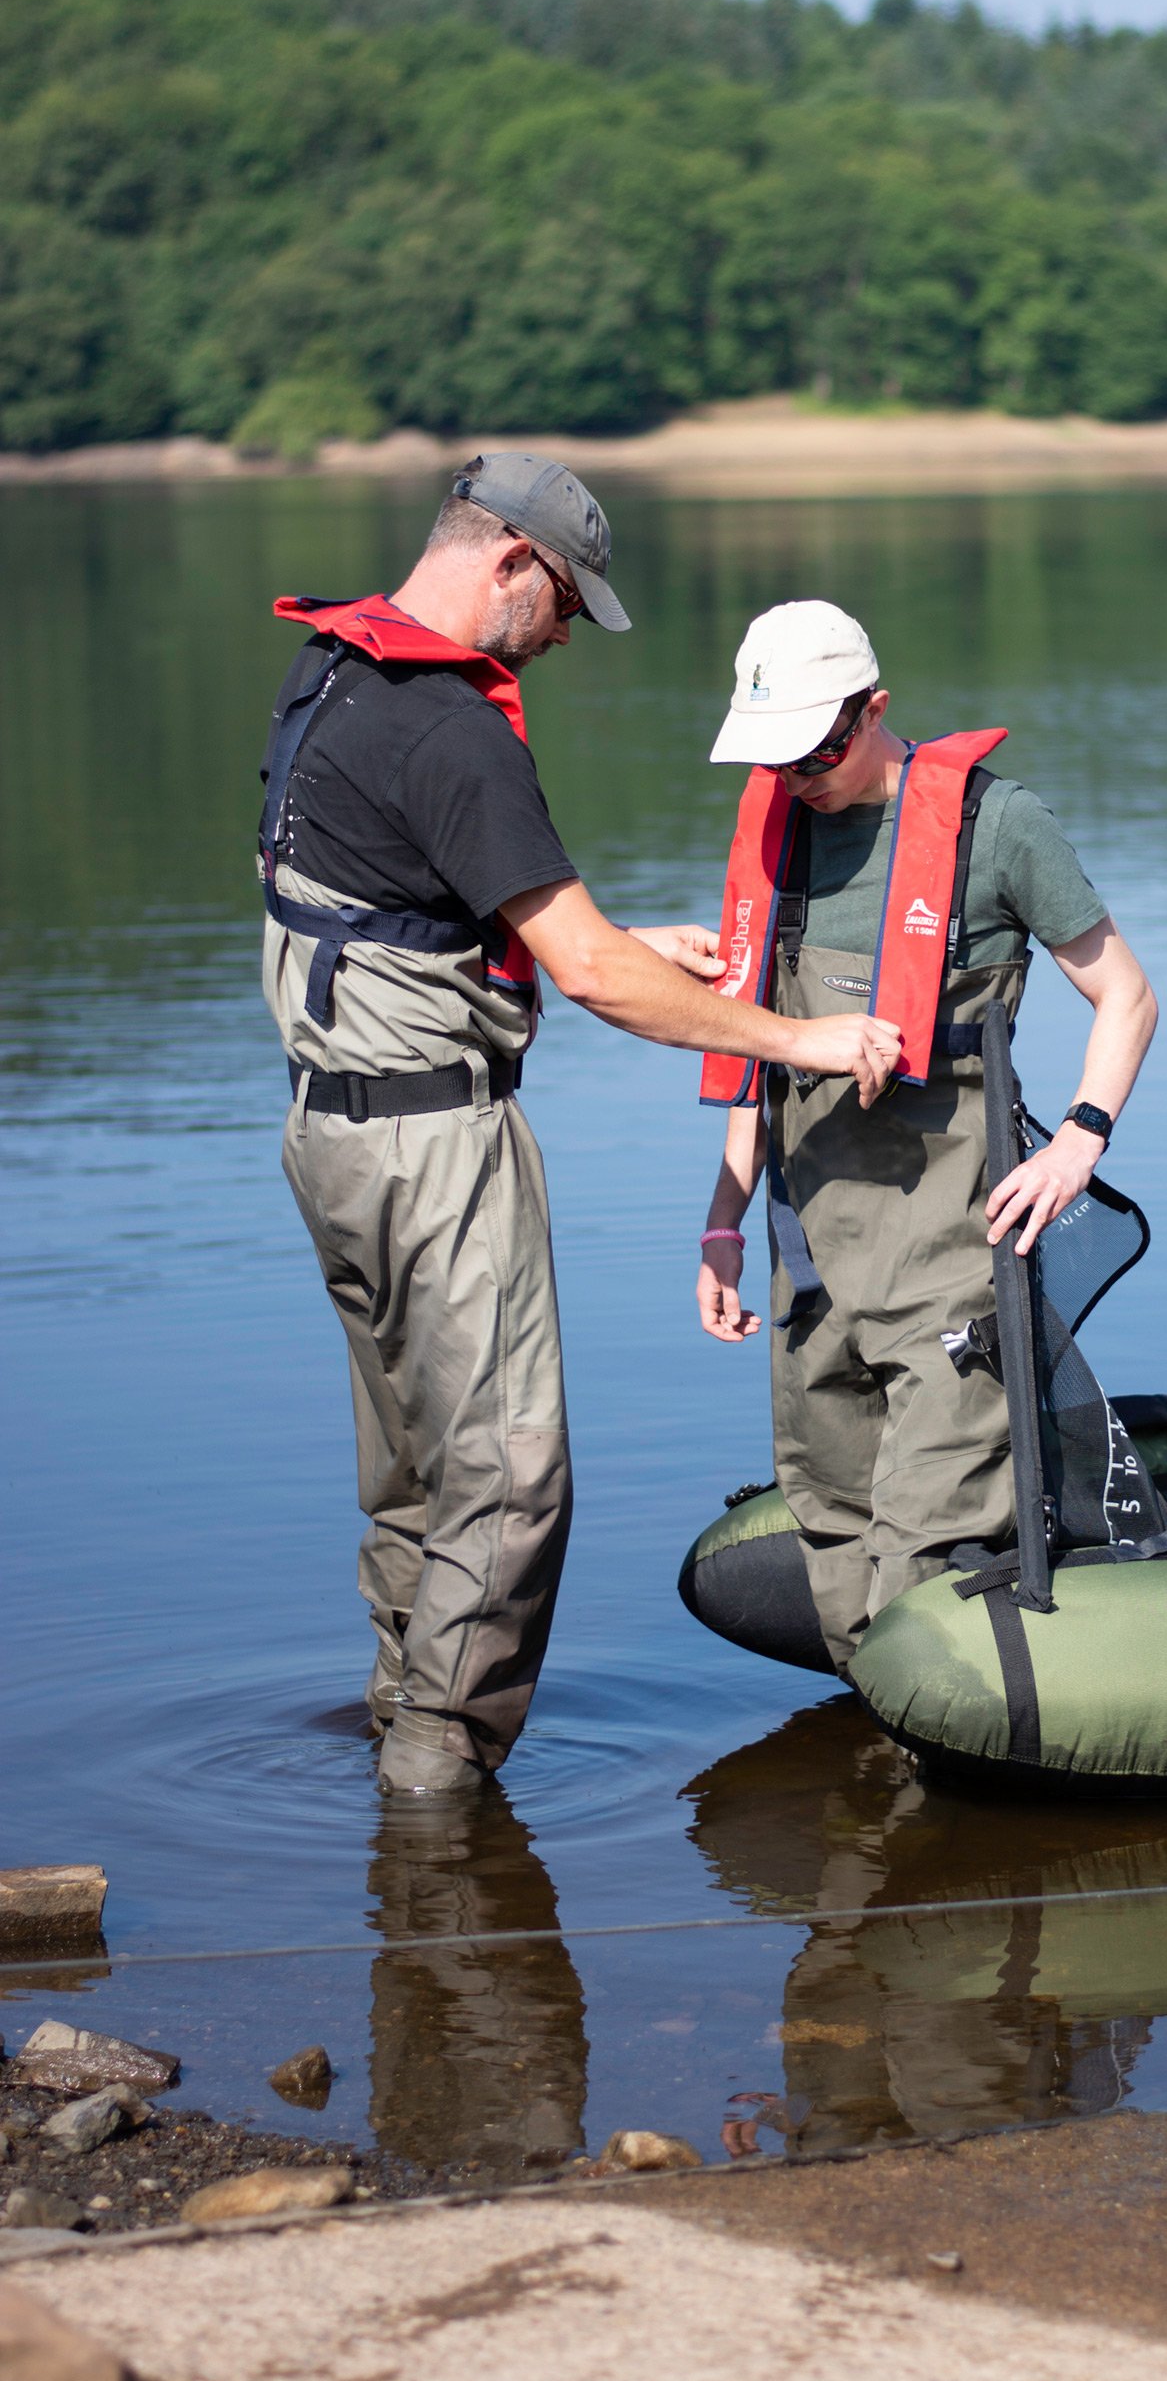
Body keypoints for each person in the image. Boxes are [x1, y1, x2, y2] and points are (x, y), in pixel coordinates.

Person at [259, 459, 900, 1798]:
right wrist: (804, 1039)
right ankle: (442, 1784)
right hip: (439, 1152)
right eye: (560, 607)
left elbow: (393, 912)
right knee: (510, 1478)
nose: (560, 639)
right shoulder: (451, 727)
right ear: (508, 564)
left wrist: (600, 945)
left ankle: (401, 1733)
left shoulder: (332, 678)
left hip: (329, 1138)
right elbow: (600, 977)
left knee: (415, 1474)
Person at [695, 599, 1157, 1671]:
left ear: (875, 710)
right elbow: (754, 1058)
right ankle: (888, 1785)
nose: (797, 775)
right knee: (835, 1551)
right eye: (776, 755)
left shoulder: (1000, 827)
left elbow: (1126, 998)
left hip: (951, 1264)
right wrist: (722, 1225)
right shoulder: (779, 835)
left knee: (924, 1570)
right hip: (811, 1274)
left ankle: (930, 1807)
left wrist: (1080, 1140)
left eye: (816, 748)